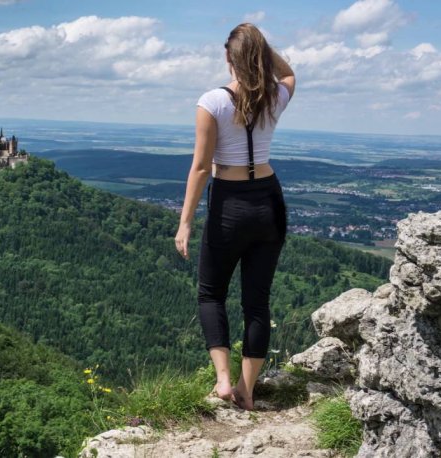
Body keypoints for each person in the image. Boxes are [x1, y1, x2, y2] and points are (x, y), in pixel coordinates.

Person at [174, 23, 295, 411]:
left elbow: (199, 167)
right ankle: (248, 389)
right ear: (259, 57)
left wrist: (186, 222)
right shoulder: (274, 95)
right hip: (269, 200)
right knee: (256, 301)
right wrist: (260, 46)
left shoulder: (213, 101)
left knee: (211, 292)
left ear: (228, 58)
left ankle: (223, 380)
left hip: (230, 202)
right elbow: (289, 73)